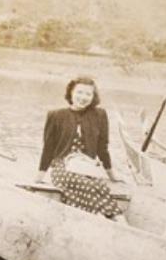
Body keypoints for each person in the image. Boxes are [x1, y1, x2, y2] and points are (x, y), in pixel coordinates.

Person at [35, 76, 125, 221]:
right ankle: (105, 217)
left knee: (100, 187)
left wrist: (111, 175)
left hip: (86, 167)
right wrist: (39, 177)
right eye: (79, 92)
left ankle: (116, 219)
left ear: (93, 96)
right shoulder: (55, 115)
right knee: (88, 186)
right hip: (62, 167)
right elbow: (48, 149)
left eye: (88, 94)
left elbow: (102, 148)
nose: (83, 97)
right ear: (71, 92)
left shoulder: (100, 115)